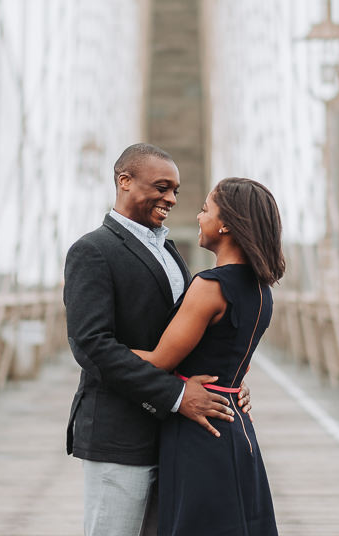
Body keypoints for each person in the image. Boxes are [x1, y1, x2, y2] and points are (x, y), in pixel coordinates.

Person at [64, 144, 252, 536]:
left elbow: (185, 339)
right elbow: (92, 347)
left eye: (176, 191)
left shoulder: (169, 251)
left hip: (174, 440)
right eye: (162, 186)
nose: (171, 198)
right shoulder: (91, 251)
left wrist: (229, 380)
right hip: (119, 435)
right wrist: (178, 396)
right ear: (124, 181)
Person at [132, 177, 285, 535]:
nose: (199, 217)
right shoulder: (261, 289)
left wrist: (100, 348)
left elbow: (159, 362)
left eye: (204, 209)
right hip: (237, 427)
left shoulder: (210, 285)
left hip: (199, 432)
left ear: (226, 223)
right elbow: (232, 358)